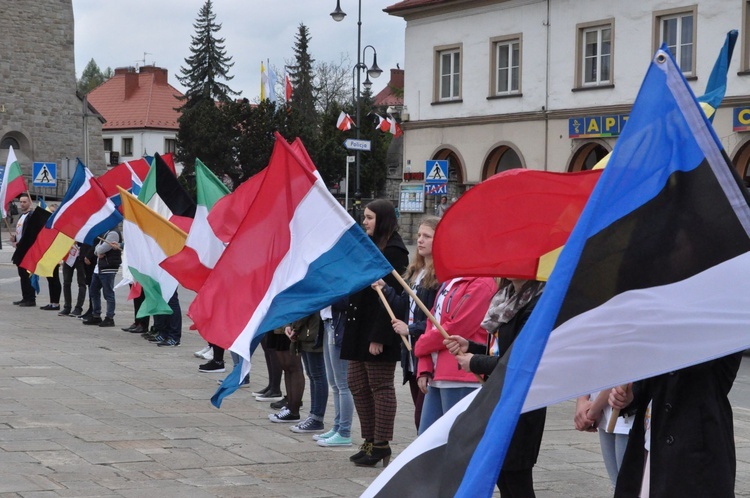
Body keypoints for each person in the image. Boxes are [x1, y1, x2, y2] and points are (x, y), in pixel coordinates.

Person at [444, 278, 546, 497]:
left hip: (521, 403)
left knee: (516, 479)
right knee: (502, 476)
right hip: (498, 397)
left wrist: (473, 362)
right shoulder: (506, 297)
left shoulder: (536, 304)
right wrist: (470, 346)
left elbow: (519, 362)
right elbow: (500, 352)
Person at [608, 353, 742, 497]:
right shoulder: (661, 336)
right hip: (651, 443)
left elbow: (715, 378)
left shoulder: (722, 338)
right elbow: (646, 383)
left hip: (696, 454)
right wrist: (629, 398)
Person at [341, 199, 409, 468]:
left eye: (369, 218)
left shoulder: (394, 251)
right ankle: (368, 439)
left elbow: (393, 298)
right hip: (359, 326)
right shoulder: (369, 246)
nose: (365, 222)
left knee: (380, 386)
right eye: (364, 217)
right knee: (357, 383)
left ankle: (381, 443)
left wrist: (379, 336)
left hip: (379, 328)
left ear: (382, 220)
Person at [374, 216, 441, 431]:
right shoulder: (415, 272)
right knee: (418, 414)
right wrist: (385, 289)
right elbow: (403, 306)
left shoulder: (441, 276)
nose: (420, 240)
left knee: (424, 418)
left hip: (430, 355)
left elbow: (437, 321)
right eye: (419, 235)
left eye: (426, 236)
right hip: (412, 354)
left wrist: (410, 329)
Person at [413, 275, 496, 434]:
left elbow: (456, 328)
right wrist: (424, 366)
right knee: (426, 440)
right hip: (437, 375)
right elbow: (432, 321)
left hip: (461, 376)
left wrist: (420, 346)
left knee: (454, 441)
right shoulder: (448, 281)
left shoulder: (482, 283)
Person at [574, 390, 632, 488]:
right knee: (618, 486)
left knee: (627, 487)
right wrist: (583, 400)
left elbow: (620, 377)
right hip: (603, 408)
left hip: (627, 412)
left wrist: (592, 410)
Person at [315, 300, 353, 447]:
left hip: (337, 324)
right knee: (334, 382)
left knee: (343, 383)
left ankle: (344, 431)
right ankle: (337, 426)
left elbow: (346, 302)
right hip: (328, 323)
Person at [286, 313, 328, 434]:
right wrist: (291, 325)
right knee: (313, 375)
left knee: (317, 375)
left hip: (312, 331)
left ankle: (317, 417)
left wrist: (295, 327)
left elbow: (309, 306)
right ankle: (313, 415)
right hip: (305, 331)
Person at [82, 229, 121, 327]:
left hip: (108, 267)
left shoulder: (113, 233)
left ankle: (109, 317)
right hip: (100, 267)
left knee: (108, 293)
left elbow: (100, 249)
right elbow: (97, 250)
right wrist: (99, 249)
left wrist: (99, 249)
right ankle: (96, 315)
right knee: (93, 290)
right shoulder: (105, 233)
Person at [10, 194, 35, 307]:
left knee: (27, 274)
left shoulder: (31, 216)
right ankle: (25, 297)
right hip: (20, 249)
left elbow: (30, 234)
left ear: (29, 202)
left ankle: (30, 299)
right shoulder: (21, 216)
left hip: (26, 250)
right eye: (20, 202)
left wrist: (21, 243)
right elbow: (21, 232)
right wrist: (14, 238)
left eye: (24, 202)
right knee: (22, 274)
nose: (22, 204)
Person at [40, 203, 61, 311]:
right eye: (50, 212)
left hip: (55, 256)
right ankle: (51, 302)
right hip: (47, 255)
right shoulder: (47, 225)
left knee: (55, 279)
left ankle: (56, 303)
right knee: (50, 279)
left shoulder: (59, 225)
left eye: (53, 212)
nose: (50, 215)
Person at [59, 242, 87, 317]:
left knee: (81, 283)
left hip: (81, 256)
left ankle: (78, 308)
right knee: (66, 282)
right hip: (69, 255)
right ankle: (67, 307)